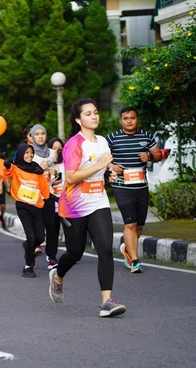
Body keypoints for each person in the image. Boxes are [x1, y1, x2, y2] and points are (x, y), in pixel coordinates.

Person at [49, 99, 126, 317]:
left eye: (96, 112)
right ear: (78, 119)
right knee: (75, 252)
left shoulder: (102, 141)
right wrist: (100, 165)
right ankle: (58, 275)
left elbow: (103, 165)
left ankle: (106, 302)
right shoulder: (74, 144)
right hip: (74, 206)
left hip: (99, 201)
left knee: (105, 250)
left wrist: (111, 169)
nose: (94, 116)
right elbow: (71, 177)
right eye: (88, 113)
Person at [107, 107, 162, 273]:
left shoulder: (146, 136)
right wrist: (112, 166)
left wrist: (150, 156)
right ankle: (135, 260)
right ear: (121, 121)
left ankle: (127, 248)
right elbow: (101, 157)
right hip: (122, 186)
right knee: (130, 223)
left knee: (139, 226)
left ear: (137, 119)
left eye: (132, 118)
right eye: (126, 118)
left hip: (141, 186)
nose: (129, 121)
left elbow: (158, 154)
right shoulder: (112, 138)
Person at [4, 144, 49, 277]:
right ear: (21, 154)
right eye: (26, 153)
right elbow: (6, 172)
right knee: (31, 237)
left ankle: (28, 245)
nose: (29, 155)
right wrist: (7, 164)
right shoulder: (16, 168)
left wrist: (50, 198)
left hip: (36, 206)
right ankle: (28, 267)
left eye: (31, 152)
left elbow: (44, 189)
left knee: (40, 237)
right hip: (23, 206)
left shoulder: (37, 169)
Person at [29, 124, 60, 261]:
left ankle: (52, 256)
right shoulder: (29, 154)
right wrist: (39, 169)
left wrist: (55, 174)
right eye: (37, 134)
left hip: (49, 194)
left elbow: (58, 173)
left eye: (43, 133)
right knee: (36, 229)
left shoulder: (52, 153)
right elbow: (25, 175)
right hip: (34, 196)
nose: (40, 136)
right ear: (32, 136)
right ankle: (31, 258)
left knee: (51, 226)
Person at [46, 137, 65, 269]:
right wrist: (50, 181)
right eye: (54, 148)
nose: (57, 150)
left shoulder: (67, 164)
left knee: (69, 228)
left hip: (65, 200)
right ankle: (51, 256)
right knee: (52, 230)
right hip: (50, 200)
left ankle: (72, 254)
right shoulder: (46, 164)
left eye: (60, 147)